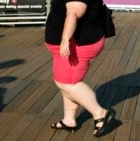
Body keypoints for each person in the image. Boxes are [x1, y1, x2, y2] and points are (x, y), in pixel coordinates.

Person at [45, 0, 115, 137]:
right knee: (67, 83)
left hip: (77, 45)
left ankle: (100, 113)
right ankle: (69, 120)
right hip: (73, 45)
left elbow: (74, 12)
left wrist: (65, 39)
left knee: (68, 83)